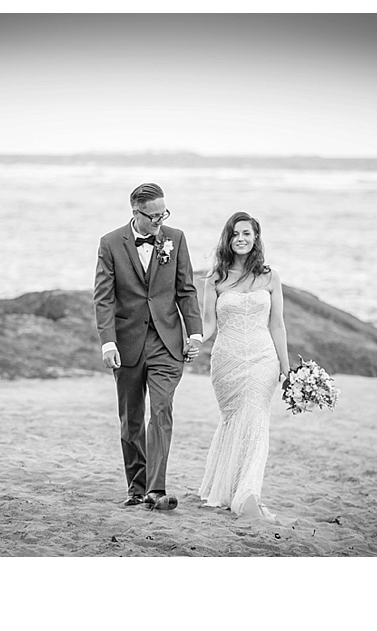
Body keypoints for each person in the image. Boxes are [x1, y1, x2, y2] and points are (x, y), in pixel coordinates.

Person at [94, 183, 202, 510]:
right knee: (131, 420)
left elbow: (186, 289)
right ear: (135, 212)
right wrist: (108, 343)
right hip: (127, 344)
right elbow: (103, 298)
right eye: (153, 216)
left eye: (163, 214)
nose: (159, 221)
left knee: (161, 411)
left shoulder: (176, 238)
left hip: (166, 341)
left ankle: (156, 489)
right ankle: (136, 488)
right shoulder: (110, 244)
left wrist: (194, 333)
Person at [197, 211, 290, 520]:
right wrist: (195, 340)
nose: (241, 238)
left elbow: (277, 325)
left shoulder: (270, 277)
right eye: (235, 233)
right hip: (227, 361)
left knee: (256, 421)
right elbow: (209, 325)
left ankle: (249, 493)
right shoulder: (215, 279)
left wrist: (287, 369)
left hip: (264, 360)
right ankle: (230, 489)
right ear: (228, 238)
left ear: (255, 237)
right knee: (235, 421)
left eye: (247, 233)